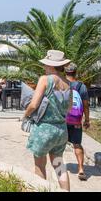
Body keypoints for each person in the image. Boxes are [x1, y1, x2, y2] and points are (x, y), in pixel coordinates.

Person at [23, 50, 73, 191]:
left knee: (39, 165)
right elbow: (69, 109)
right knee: (59, 165)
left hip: (45, 129)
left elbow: (33, 104)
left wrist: (25, 115)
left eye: (46, 64)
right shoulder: (68, 84)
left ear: (51, 66)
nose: (44, 67)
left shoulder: (45, 79)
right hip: (62, 130)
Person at [65, 63, 90, 181]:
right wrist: (87, 120)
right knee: (77, 144)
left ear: (65, 72)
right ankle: (81, 169)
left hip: (62, 119)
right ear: (76, 72)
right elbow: (85, 105)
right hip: (76, 120)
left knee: (58, 145)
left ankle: (59, 168)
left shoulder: (61, 83)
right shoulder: (81, 86)